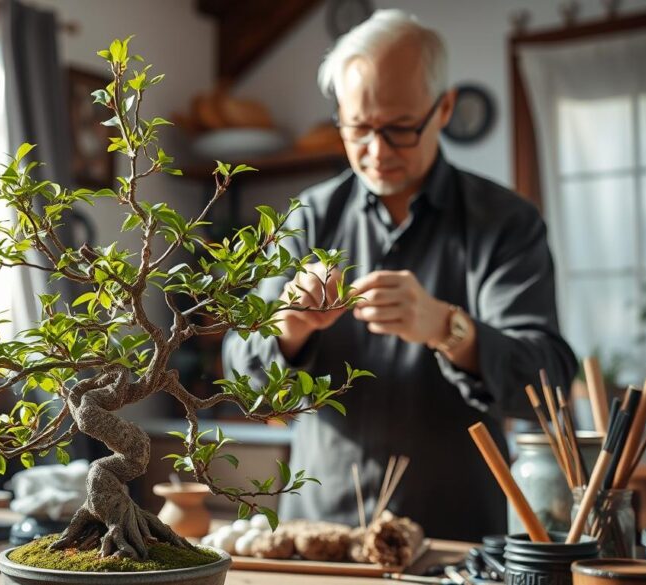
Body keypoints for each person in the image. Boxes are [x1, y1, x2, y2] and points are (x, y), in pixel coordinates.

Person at [221, 9, 577, 542]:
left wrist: (447, 328)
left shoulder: (505, 222)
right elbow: (242, 373)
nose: (378, 152)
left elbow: (547, 382)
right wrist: (288, 327)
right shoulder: (310, 217)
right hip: (323, 535)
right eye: (358, 128)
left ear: (445, 108)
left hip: (460, 537)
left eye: (400, 128)